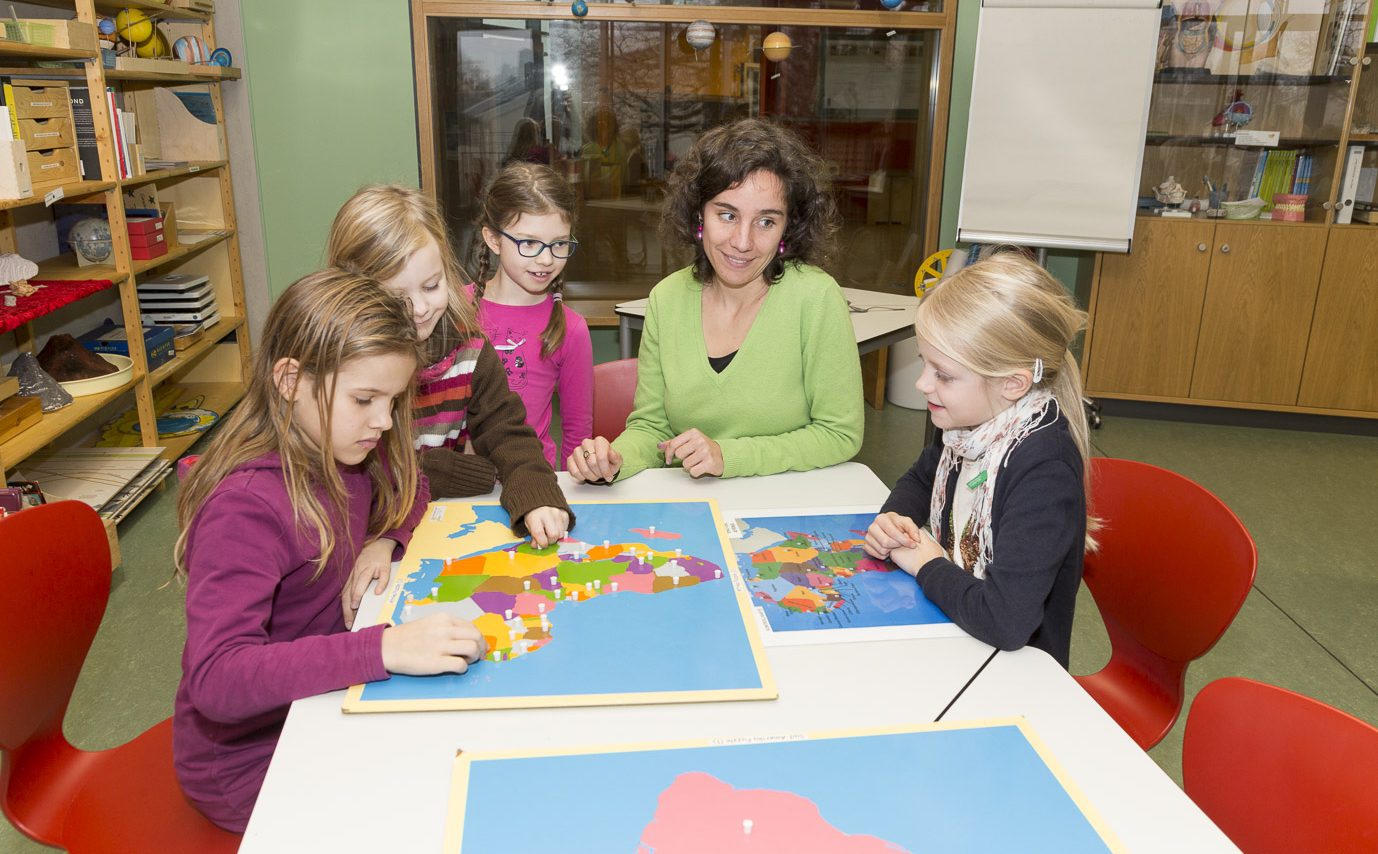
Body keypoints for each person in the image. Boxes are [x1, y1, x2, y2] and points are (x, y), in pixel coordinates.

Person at [173, 270, 489, 831]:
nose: (384, 421)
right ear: (290, 379)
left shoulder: (346, 444)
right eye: (365, 398)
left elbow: (411, 482)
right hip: (251, 758)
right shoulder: (244, 507)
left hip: (317, 703)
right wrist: (380, 651)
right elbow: (218, 678)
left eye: (393, 400)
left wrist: (383, 540)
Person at [566, 118, 863, 483]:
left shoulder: (816, 298)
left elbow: (840, 434)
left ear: (789, 227)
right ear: (698, 216)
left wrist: (730, 456)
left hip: (784, 503)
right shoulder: (667, 299)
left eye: (766, 222)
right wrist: (615, 459)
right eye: (727, 215)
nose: (742, 241)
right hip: (693, 506)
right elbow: (651, 427)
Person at [326, 183, 572, 596]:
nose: (420, 309)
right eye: (397, 295)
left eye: (431, 285)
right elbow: (354, 478)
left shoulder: (470, 349)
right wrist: (438, 472)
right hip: (352, 546)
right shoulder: (340, 368)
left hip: (429, 533)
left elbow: (508, 432)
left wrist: (535, 493)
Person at [861, 253, 1096, 668]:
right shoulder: (967, 420)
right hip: (955, 634)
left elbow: (1006, 622)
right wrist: (895, 517)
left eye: (943, 374)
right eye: (924, 363)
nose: (922, 384)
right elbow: (921, 479)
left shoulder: (1044, 470)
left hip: (1014, 671)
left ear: (1012, 383)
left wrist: (926, 563)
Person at [468, 162, 593, 470]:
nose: (547, 258)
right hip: (461, 486)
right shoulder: (452, 309)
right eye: (529, 243)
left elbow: (577, 435)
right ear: (493, 239)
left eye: (559, 243)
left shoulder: (571, 329)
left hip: (534, 481)